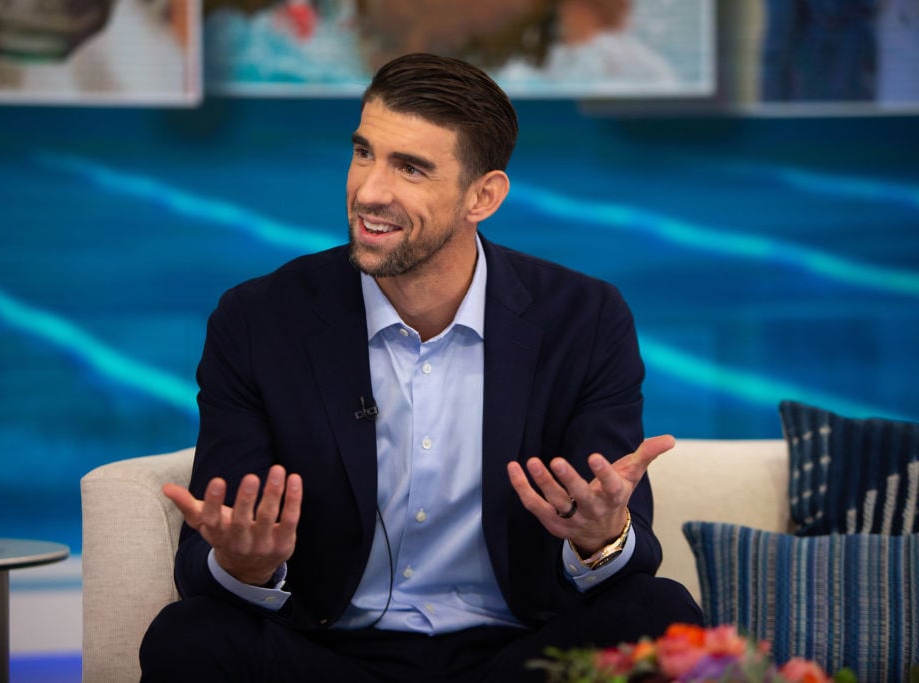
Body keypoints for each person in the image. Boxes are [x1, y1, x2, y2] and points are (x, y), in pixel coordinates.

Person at [139, 52, 702, 682]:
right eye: (363, 153)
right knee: (187, 638)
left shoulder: (584, 318)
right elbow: (207, 559)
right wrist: (247, 565)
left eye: (410, 168)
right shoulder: (260, 320)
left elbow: (630, 549)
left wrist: (599, 538)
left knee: (659, 614)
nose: (369, 191)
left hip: (518, 654)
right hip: (330, 654)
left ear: (481, 196)